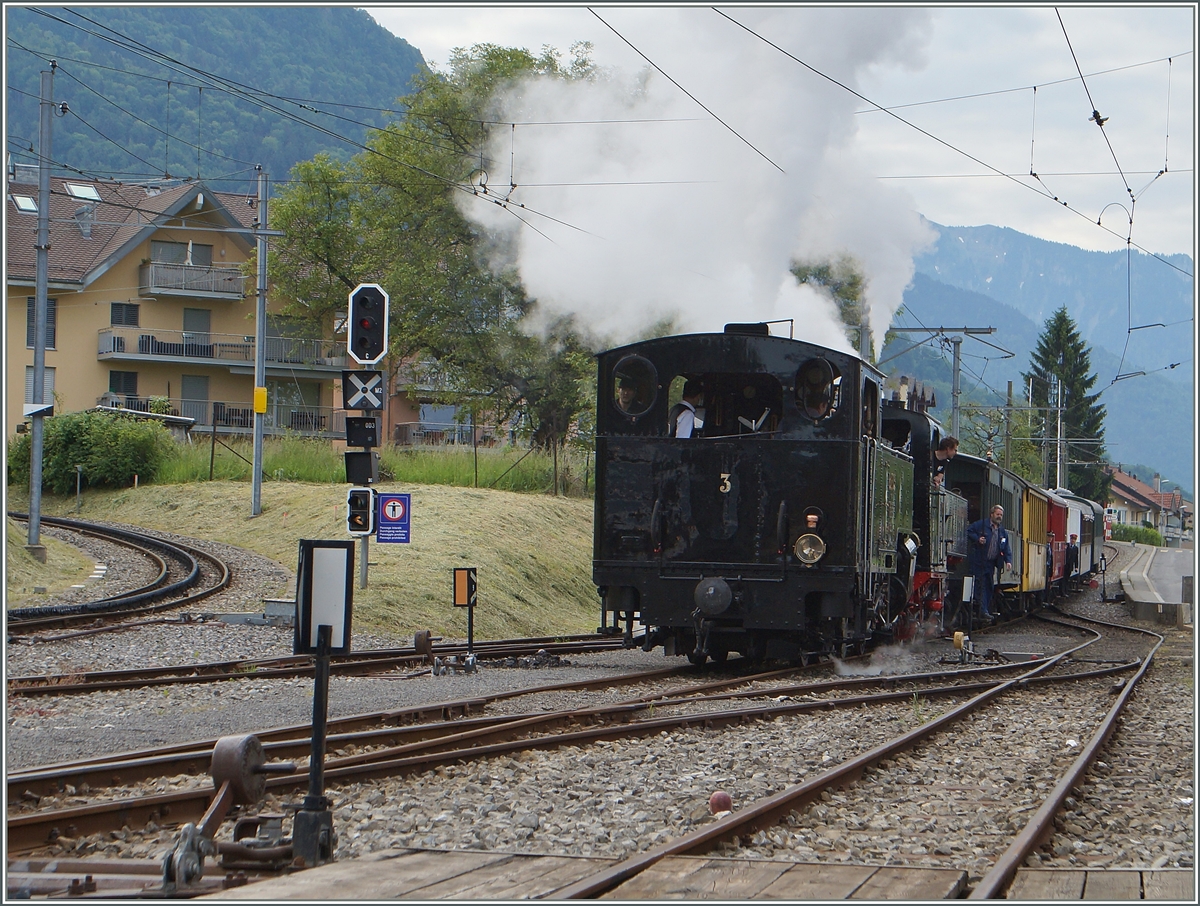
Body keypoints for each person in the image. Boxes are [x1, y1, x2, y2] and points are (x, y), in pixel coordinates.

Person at [966, 504, 1012, 620]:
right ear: (992, 514)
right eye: (997, 514)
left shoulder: (1002, 531)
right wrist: (977, 539)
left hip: (991, 564)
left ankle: (985, 610)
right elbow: (968, 530)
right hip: (979, 561)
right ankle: (983, 611)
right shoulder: (981, 525)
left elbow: (1006, 547)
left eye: (1001, 515)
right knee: (980, 586)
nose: (999, 517)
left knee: (989, 586)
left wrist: (1008, 561)